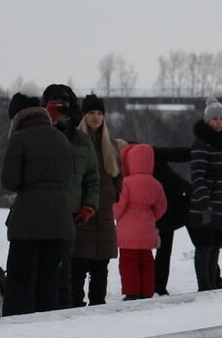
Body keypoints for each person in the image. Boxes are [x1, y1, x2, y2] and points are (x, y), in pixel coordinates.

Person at [0, 90, 74, 315]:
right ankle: (47, 331)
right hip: (60, 219)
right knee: (48, 280)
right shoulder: (61, 137)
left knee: (18, 279)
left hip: (27, 221)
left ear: (17, 116)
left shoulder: (19, 139)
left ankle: (11, 330)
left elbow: (9, 181)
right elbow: (67, 178)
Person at [42, 84, 100, 308]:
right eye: (56, 103)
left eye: (65, 104)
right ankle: (40, 313)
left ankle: (63, 312)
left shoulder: (81, 139)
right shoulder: (35, 130)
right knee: (41, 268)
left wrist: (89, 206)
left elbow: (92, 177)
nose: (61, 107)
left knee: (65, 267)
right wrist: (47, 119)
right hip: (41, 212)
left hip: (70, 213)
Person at [71, 93, 122, 306]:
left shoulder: (110, 144)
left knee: (101, 268)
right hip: (83, 212)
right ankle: (73, 306)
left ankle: (98, 308)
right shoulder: (75, 141)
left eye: (99, 113)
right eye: (91, 112)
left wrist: (113, 193)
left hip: (105, 215)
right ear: (84, 115)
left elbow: (119, 176)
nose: (96, 117)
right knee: (78, 265)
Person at [188, 96, 222, 290]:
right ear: (207, 120)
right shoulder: (202, 144)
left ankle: (215, 281)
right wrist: (204, 202)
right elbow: (197, 176)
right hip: (205, 203)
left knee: (216, 246)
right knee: (204, 246)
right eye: (215, 119)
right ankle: (205, 285)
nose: (219, 122)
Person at [113, 143, 167, 300]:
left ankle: (132, 292)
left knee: (128, 264)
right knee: (146, 263)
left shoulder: (127, 183)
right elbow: (162, 206)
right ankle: (146, 291)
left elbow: (118, 207)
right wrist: (150, 217)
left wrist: (116, 216)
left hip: (127, 233)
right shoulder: (155, 183)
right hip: (147, 231)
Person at [151, 145, 193, 296]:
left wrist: (197, 151)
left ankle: (158, 286)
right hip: (165, 204)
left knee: (201, 244)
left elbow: (177, 153)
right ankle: (158, 286)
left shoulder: (150, 153)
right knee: (164, 249)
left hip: (181, 198)